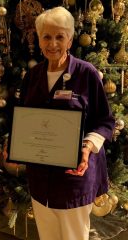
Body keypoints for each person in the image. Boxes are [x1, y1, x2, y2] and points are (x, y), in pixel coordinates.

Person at [19, 7, 115, 240]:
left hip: (75, 176)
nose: (53, 43)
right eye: (47, 37)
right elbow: (23, 119)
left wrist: (87, 146)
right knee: (48, 235)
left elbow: (105, 121)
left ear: (70, 39)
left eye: (60, 36)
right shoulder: (33, 76)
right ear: (39, 40)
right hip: (40, 176)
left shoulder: (86, 73)